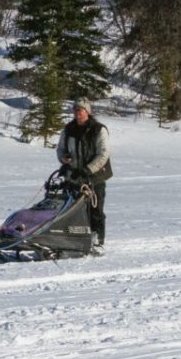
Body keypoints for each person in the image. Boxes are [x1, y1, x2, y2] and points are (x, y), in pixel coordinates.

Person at [55, 100, 113, 248]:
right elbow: (60, 149)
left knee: (95, 210)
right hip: (74, 176)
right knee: (72, 210)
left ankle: (98, 240)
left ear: (87, 112)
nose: (78, 113)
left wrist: (88, 169)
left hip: (94, 176)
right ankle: (74, 237)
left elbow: (103, 154)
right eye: (75, 110)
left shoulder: (98, 130)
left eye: (81, 110)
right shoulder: (68, 129)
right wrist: (63, 158)